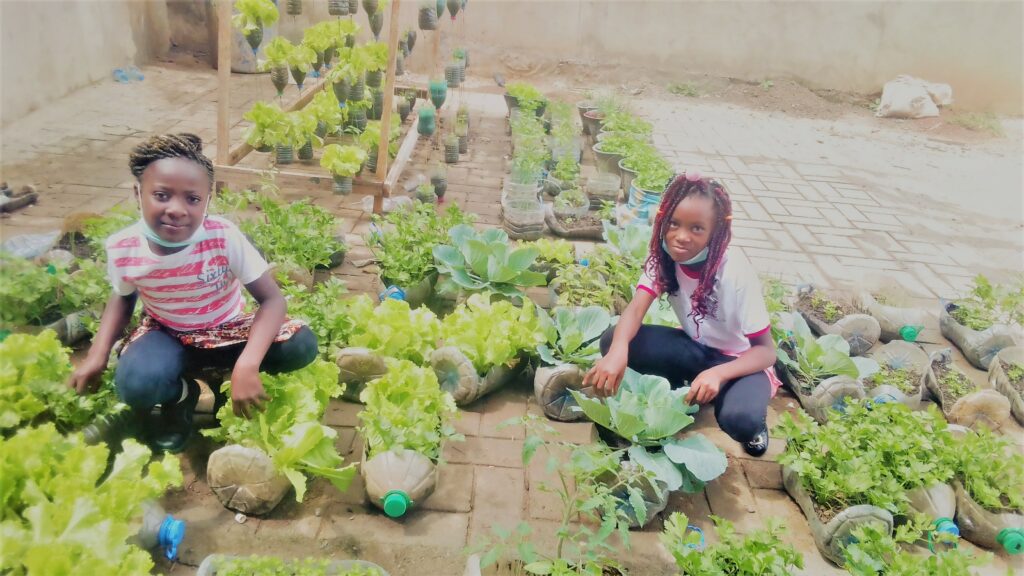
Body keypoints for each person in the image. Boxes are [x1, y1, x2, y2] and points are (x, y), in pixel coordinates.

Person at [68, 133, 318, 453]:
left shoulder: (222, 237)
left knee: (301, 344)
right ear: (137, 193)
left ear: (207, 201)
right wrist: (97, 355)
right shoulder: (125, 247)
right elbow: (123, 298)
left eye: (192, 199)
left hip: (227, 330)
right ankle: (181, 396)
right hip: (167, 333)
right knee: (134, 385)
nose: (176, 209)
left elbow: (272, 300)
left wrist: (248, 365)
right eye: (161, 195)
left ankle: (229, 379)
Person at [583, 172, 780, 457]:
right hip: (695, 350)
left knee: (740, 421)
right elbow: (635, 310)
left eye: (697, 228)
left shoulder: (734, 272)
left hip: (740, 362)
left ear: (715, 233)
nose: (681, 236)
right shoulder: (662, 258)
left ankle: (744, 413)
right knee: (614, 340)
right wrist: (617, 352)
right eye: (674, 223)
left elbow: (765, 353)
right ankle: (686, 386)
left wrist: (719, 373)